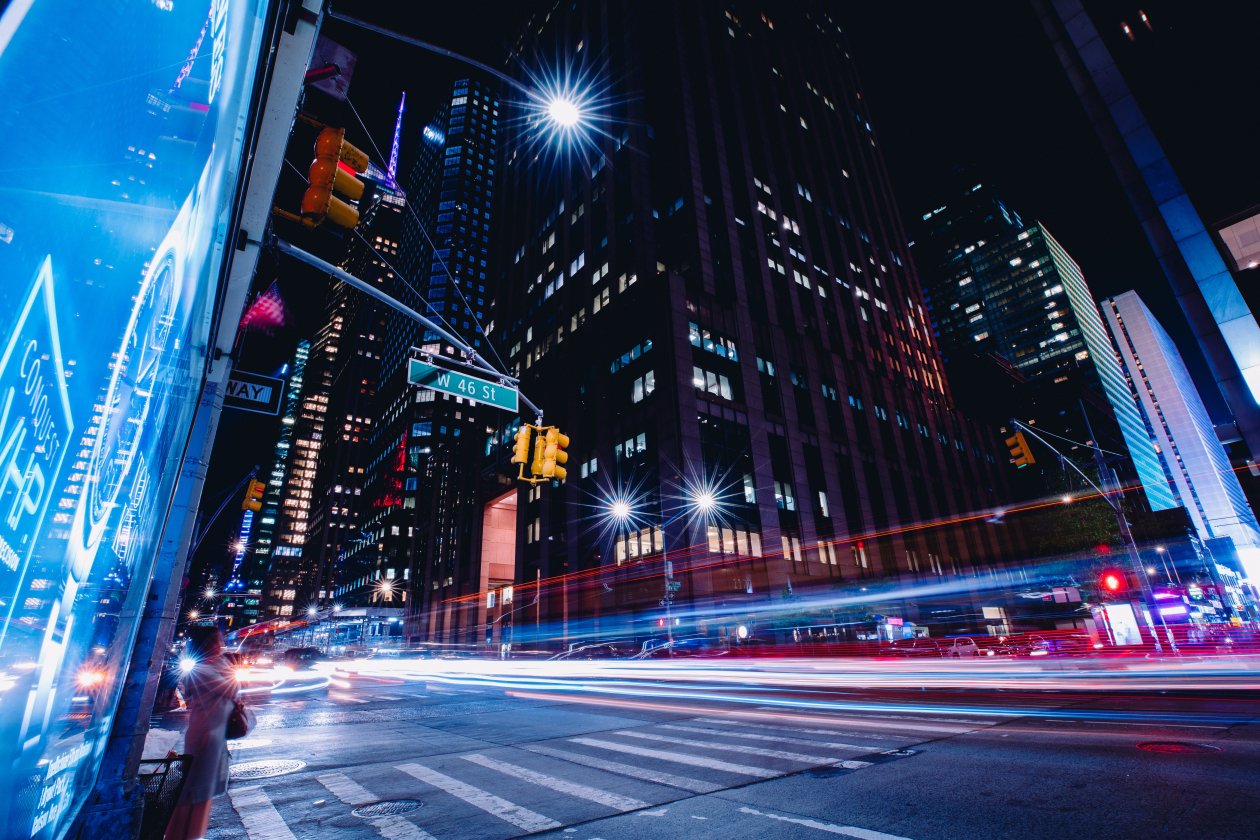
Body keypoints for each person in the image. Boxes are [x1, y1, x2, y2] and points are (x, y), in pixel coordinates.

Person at [165, 625, 238, 840]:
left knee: (203, 793)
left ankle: (190, 834)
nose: (221, 645)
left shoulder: (217, 665)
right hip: (204, 736)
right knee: (193, 792)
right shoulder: (201, 671)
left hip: (215, 735)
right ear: (206, 645)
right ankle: (181, 835)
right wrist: (229, 668)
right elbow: (231, 688)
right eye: (216, 641)